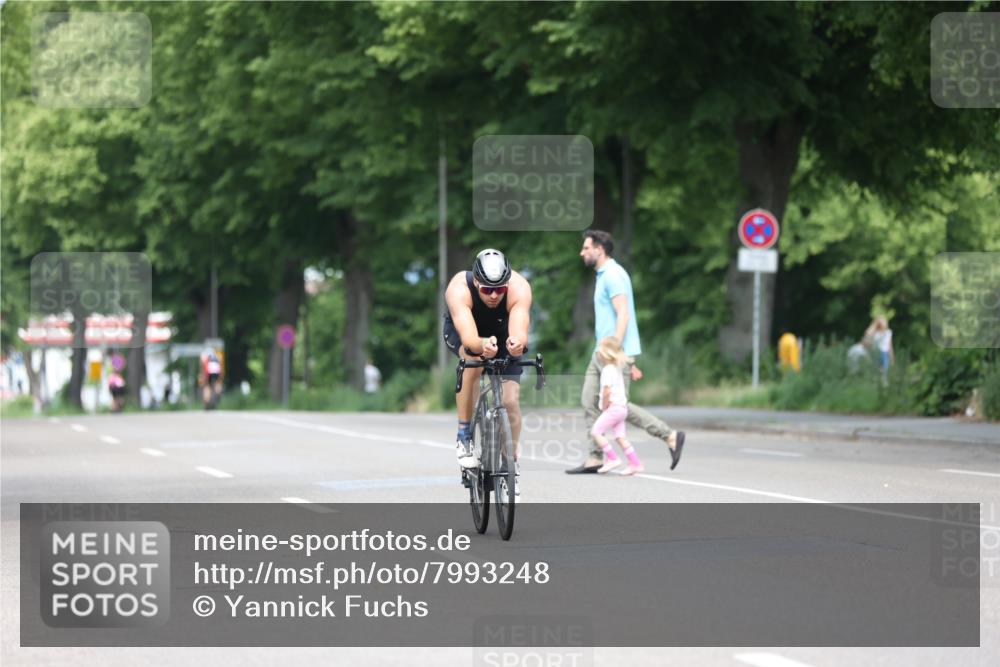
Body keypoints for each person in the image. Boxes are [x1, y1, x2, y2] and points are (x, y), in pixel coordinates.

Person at [567, 230, 685, 474]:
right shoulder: (603, 275)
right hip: (601, 351)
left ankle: (669, 435)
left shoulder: (613, 275)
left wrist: (616, 351)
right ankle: (595, 456)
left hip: (612, 353)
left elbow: (623, 313)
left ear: (600, 249)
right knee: (589, 400)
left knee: (619, 406)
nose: (582, 252)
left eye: (586, 248)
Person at [443, 249, 532, 497]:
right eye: (487, 290)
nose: (494, 295)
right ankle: (464, 434)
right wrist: (482, 346)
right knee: (473, 359)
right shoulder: (459, 288)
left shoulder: (519, 287)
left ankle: (510, 462)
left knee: (510, 400)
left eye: (500, 289)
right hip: (466, 330)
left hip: (503, 330)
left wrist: (516, 344)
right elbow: (470, 339)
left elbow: (520, 329)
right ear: (477, 282)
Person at [591, 337, 644, 475]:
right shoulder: (617, 368)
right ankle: (635, 464)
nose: (598, 354)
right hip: (622, 408)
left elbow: (607, 391)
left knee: (596, 431)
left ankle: (612, 458)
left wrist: (604, 406)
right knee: (620, 437)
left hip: (613, 408)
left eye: (600, 351)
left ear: (606, 354)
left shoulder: (608, 370)